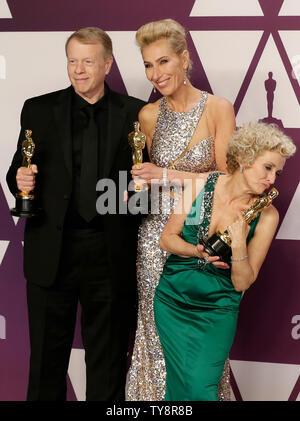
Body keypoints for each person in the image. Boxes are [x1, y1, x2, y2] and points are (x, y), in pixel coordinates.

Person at [6, 27, 146, 401]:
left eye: (88, 61)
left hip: (109, 253)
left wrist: (140, 192)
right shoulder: (38, 108)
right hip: (52, 253)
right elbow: (19, 171)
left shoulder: (136, 113)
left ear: (107, 64)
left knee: (108, 364)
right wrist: (19, 177)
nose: (79, 70)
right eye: (72, 60)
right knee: (46, 365)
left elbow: (144, 189)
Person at [126, 19, 236, 401]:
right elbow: (154, 186)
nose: (156, 74)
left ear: (185, 59)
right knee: (154, 334)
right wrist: (136, 192)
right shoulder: (148, 116)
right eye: (148, 65)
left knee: (200, 336)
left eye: (163, 62)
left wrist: (165, 173)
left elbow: (225, 181)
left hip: (199, 237)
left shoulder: (218, 109)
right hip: (156, 238)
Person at [154, 121, 296, 401]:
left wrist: (240, 242)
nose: (272, 179)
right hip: (172, 301)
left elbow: (243, 280)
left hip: (216, 311)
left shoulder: (267, 216)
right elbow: (167, 238)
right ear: (244, 158)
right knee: (179, 388)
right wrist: (198, 252)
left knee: (200, 389)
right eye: (267, 167)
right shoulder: (199, 186)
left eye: (277, 172)